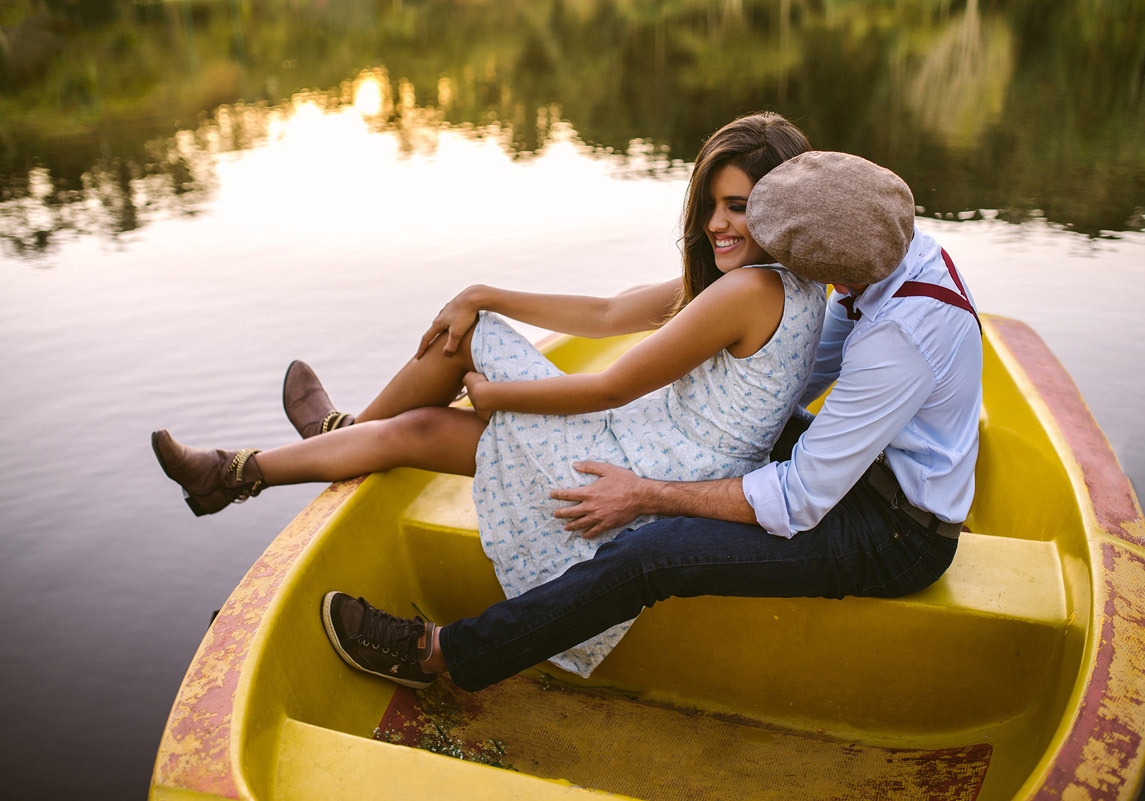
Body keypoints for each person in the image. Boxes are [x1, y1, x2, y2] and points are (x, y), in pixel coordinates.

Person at [152, 112, 827, 676]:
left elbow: (612, 381)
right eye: (711, 204)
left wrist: (495, 390)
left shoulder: (747, 290)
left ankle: (321, 434)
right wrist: (483, 289)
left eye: (736, 207)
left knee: (469, 338)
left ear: (780, 206)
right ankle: (232, 473)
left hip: (635, 470)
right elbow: (610, 311)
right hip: (653, 449)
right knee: (416, 433)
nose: (716, 223)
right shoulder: (796, 282)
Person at [318, 149, 984, 694]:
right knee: (725, 424)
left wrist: (646, 490)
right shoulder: (891, 248)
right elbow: (794, 378)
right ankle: (346, 435)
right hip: (861, 464)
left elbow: (802, 497)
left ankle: (441, 654)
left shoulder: (900, 335)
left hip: (894, 529)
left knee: (653, 552)